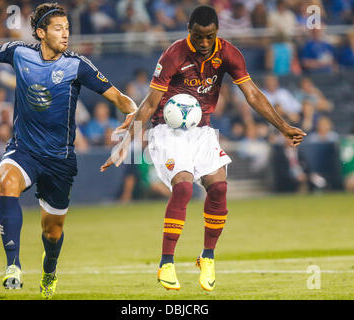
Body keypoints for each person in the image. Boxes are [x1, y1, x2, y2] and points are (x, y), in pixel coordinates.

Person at [100, 5, 306, 292]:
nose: (204, 42)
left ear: (217, 32)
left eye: (209, 36)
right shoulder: (173, 54)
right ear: (189, 31)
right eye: (198, 36)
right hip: (166, 131)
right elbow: (148, 103)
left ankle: (207, 257)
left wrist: (283, 127)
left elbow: (253, 94)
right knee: (183, 188)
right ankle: (167, 263)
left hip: (203, 131)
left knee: (220, 189)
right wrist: (125, 145)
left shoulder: (229, 53)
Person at [0, 2, 137, 299]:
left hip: (59, 160)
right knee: (7, 181)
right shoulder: (20, 52)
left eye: (68, 28)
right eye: (59, 29)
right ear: (41, 33)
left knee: (52, 233)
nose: (66, 34)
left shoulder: (77, 65)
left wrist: (132, 111)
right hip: (24, 150)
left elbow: (118, 97)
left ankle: (50, 271)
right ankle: (13, 267)